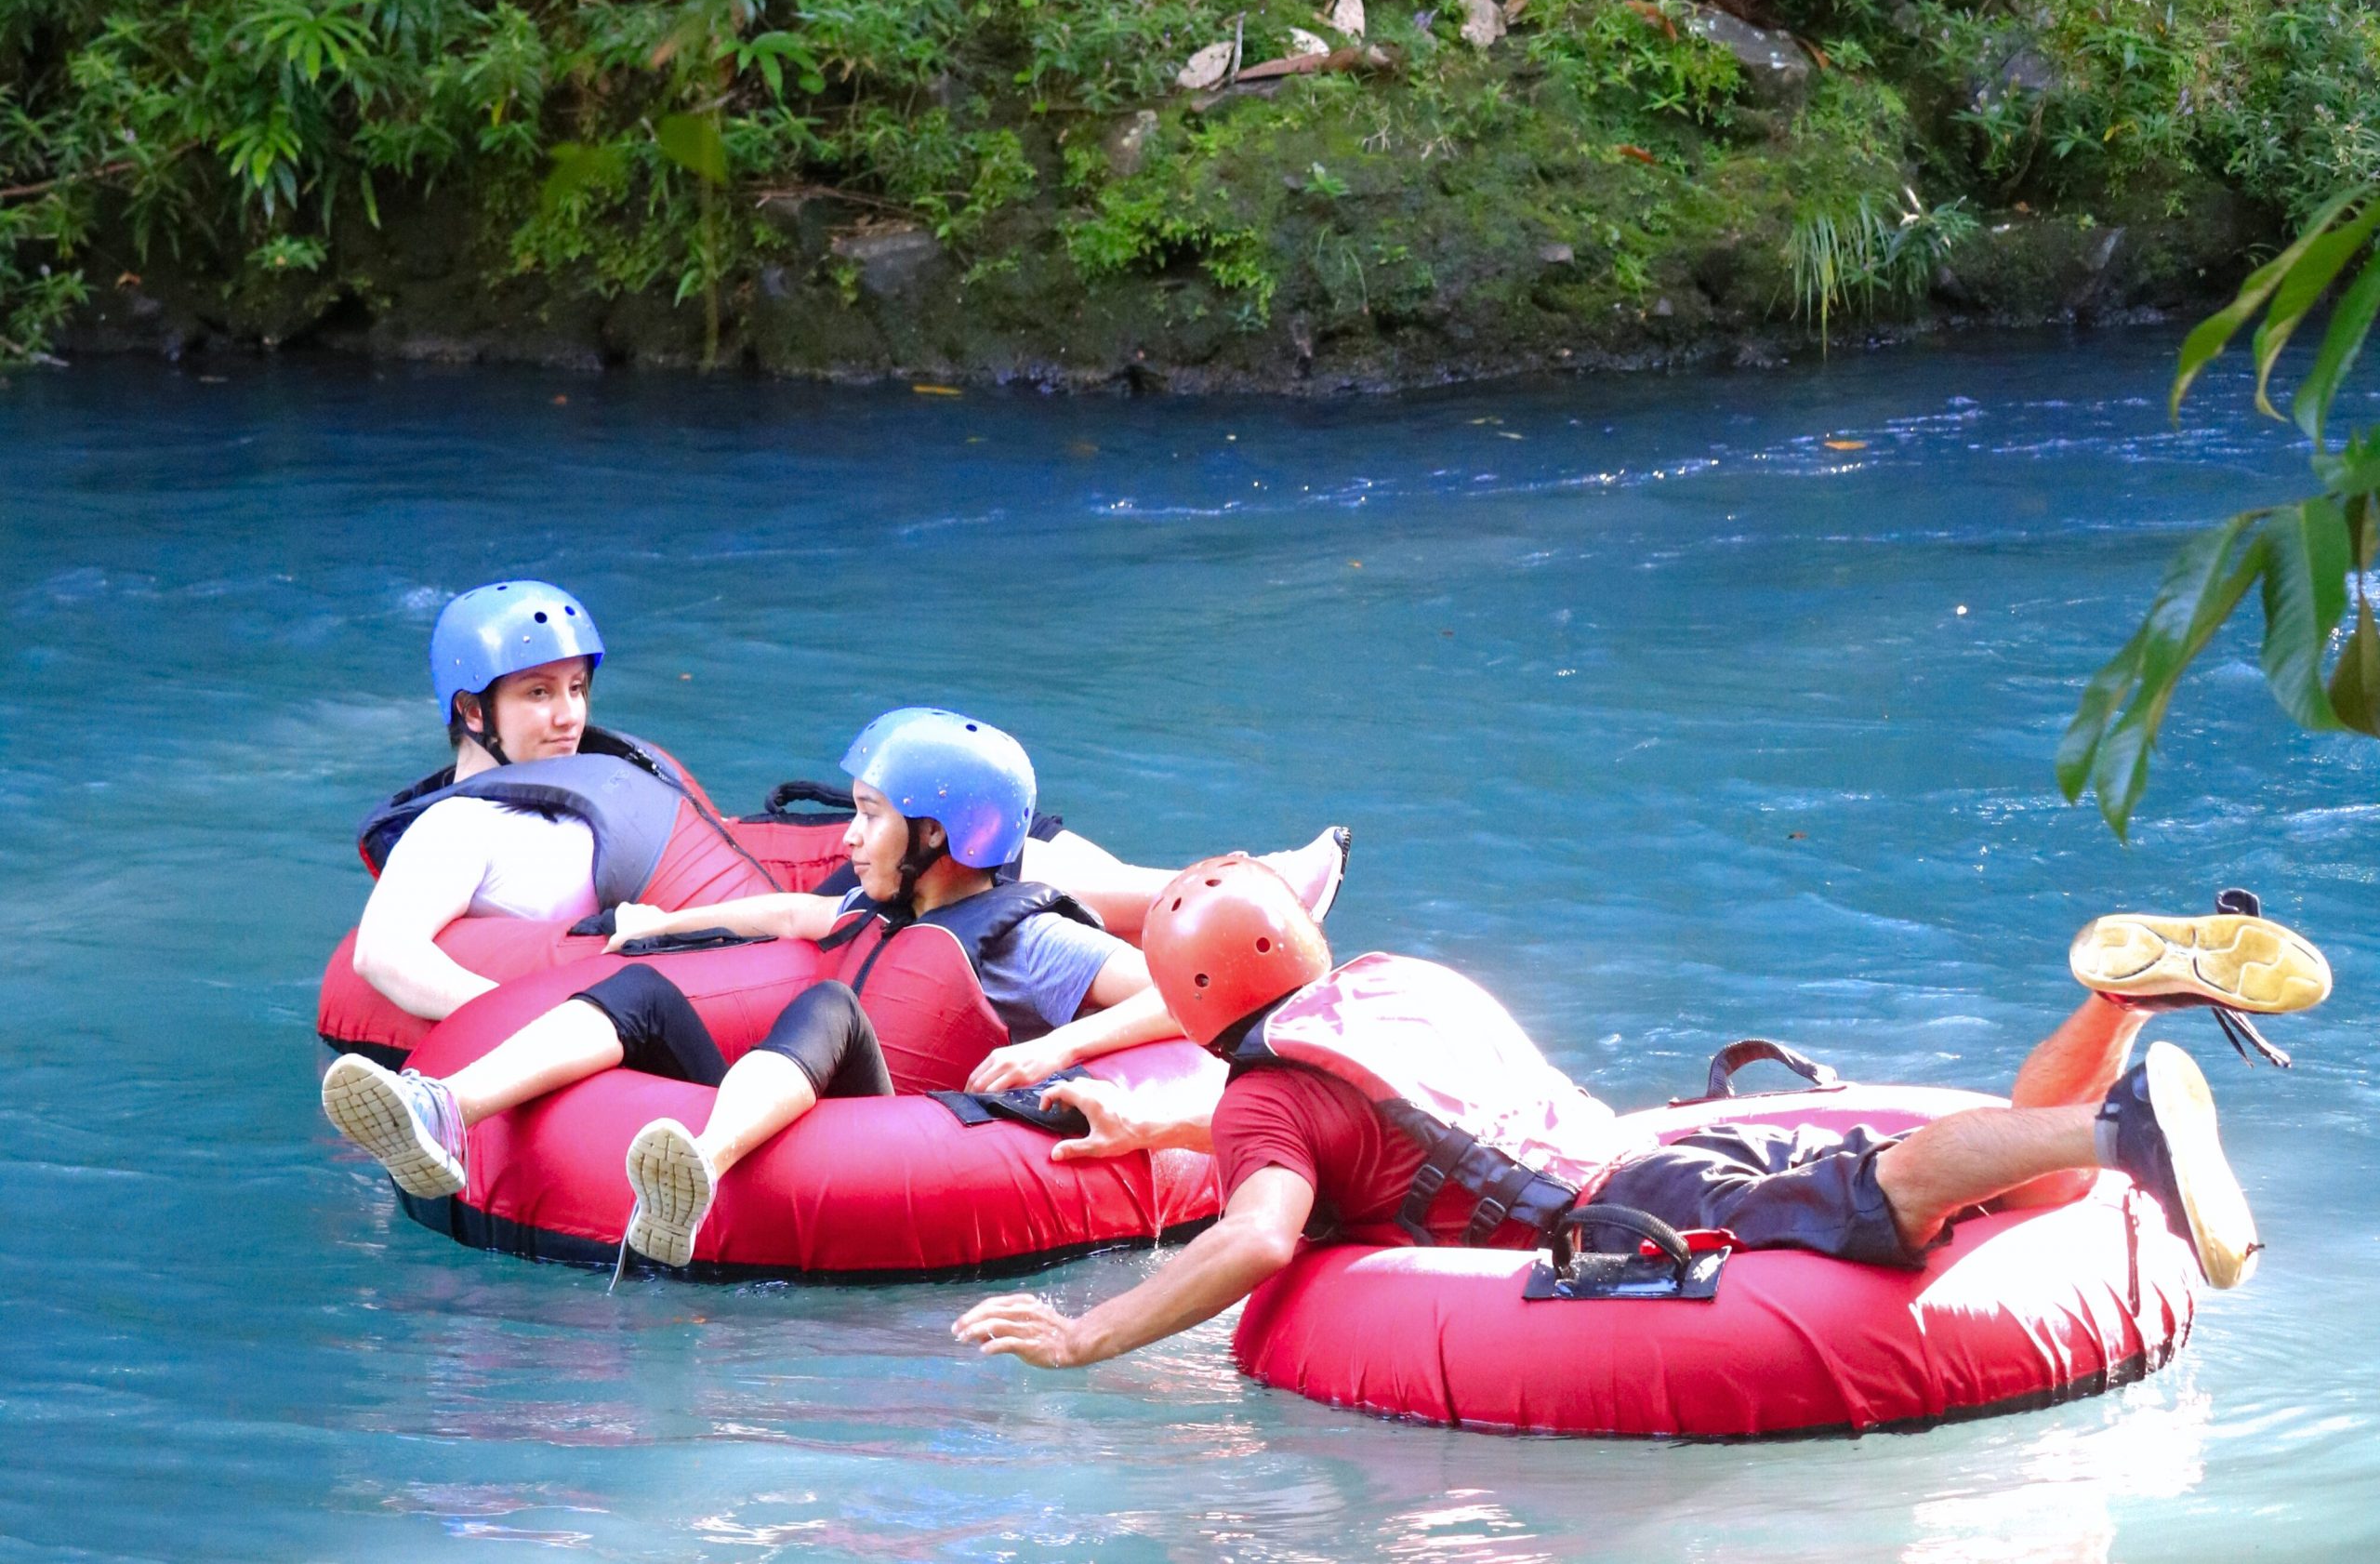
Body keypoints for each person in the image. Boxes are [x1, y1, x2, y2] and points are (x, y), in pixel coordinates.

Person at [951, 860, 2332, 1370]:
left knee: (1894, 1187)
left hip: (1626, 1212)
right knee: (1998, 1188)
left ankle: (2125, 1127)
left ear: (1197, 998)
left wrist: (1088, 1331)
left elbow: (1262, 1234)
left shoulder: (1265, 1101)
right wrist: (1161, 1134)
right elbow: (1363, 1127)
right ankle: (2120, 1009)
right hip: (1636, 1143)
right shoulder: (1387, 980)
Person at [324, 710, 1226, 1269]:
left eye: (870, 815)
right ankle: (443, 1105)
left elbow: (1185, 998)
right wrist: (657, 927)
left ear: (941, 836)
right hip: (803, 1088)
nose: (847, 835)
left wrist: (1057, 1045)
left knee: (829, 1006)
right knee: (638, 990)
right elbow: (789, 916)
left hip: (899, 1123)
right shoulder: (880, 895)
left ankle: (702, 1169)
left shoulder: (1034, 939)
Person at [353, 582, 1351, 1024]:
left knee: (1008, 839)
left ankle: (1232, 908)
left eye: (576, 689)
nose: (568, 716)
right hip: (691, 946)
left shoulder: (586, 769)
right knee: (983, 869)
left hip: (734, 890)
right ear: (470, 710)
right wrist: (509, 1018)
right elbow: (384, 954)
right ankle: (1232, 915)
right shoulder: (456, 826)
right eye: (538, 695)